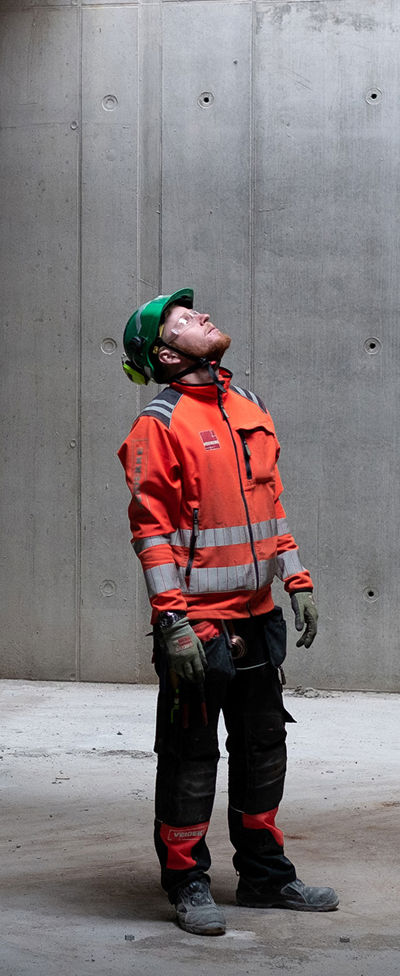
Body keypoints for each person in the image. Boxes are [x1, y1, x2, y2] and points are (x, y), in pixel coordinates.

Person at [117, 288, 338, 936]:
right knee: (190, 757)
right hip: (200, 626)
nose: (201, 316)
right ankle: (187, 882)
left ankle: (265, 878)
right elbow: (151, 531)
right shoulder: (157, 424)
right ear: (163, 352)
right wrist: (174, 620)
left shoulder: (251, 406)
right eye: (183, 319)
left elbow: (271, 503)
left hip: (259, 615)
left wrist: (295, 576)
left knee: (264, 749)